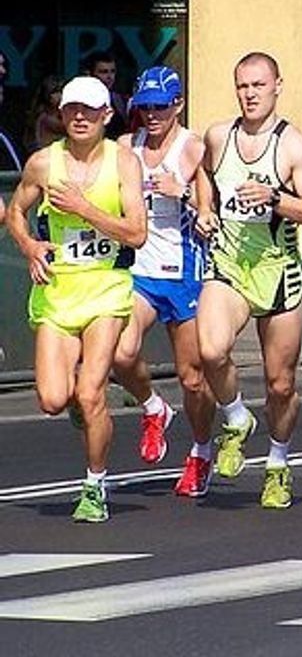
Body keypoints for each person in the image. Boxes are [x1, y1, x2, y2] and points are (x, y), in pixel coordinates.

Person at [5, 75, 148, 521]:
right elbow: (15, 211)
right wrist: (30, 246)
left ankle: (94, 485)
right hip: (58, 291)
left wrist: (85, 209)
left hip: (106, 288)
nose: (79, 117)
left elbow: (138, 234)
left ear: (107, 115)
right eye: (71, 109)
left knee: (90, 394)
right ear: (60, 114)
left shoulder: (123, 162)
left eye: (89, 110)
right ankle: (82, 412)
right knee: (52, 398)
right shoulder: (44, 164)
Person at [196, 52, 302, 509]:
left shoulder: (292, 144)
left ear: (277, 86)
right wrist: (205, 209)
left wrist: (275, 198)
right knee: (210, 349)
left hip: (278, 272)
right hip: (230, 264)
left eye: (258, 85)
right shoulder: (220, 135)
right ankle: (236, 418)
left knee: (280, 384)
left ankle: (277, 463)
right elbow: (201, 171)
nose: (250, 94)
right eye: (242, 86)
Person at [110, 66, 217, 496]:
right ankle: (154, 407)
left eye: (160, 106)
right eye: (145, 107)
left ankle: (202, 450)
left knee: (193, 378)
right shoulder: (125, 147)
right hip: (140, 271)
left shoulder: (193, 149)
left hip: (185, 274)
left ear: (178, 105)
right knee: (121, 353)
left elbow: (211, 213)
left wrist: (184, 192)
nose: (152, 115)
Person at [82, 51, 131, 138]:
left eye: (112, 71)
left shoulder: (120, 100)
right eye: (103, 72)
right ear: (89, 74)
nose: (110, 76)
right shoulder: (80, 100)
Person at [25, 75, 65, 152]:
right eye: (57, 92)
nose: (61, 95)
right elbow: (68, 128)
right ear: (48, 95)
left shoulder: (58, 115)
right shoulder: (46, 118)